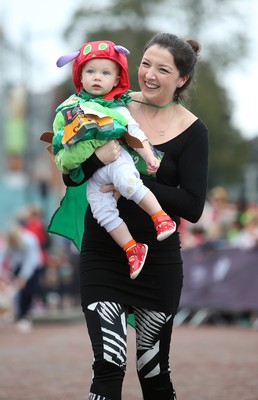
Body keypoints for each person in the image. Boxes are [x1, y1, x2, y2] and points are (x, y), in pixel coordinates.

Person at [56, 33, 208, 400]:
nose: (149, 74)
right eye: (145, 64)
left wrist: (133, 182)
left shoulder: (193, 130)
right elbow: (70, 174)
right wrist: (99, 159)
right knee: (108, 364)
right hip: (104, 254)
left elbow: (192, 206)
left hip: (159, 264)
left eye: (162, 69)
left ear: (182, 79)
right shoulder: (107, 103)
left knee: (153, 373)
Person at [51, 40, 176, 279]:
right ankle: (132, 248)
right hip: (94, 176)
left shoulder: (118, 109)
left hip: (118, 162)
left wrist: (149, 156)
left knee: (128, 182)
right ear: (80, 75)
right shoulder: (69, 109)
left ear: (117, 79)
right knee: (100, 210)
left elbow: (135, 132)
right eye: (90, 71)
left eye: (105, 72)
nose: (97, 77)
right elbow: (62, 147)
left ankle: (160, 217)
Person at [3, 223, 42, 333]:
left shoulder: (29, 240)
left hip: (33, 266)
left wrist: (23, 277)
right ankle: (21, 316)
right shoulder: (9, 242)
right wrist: (3, 274)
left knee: (29, 291)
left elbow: (30, 261)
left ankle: (25, 315)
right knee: (19, 293)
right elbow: (3, 256)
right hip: (18, 266)